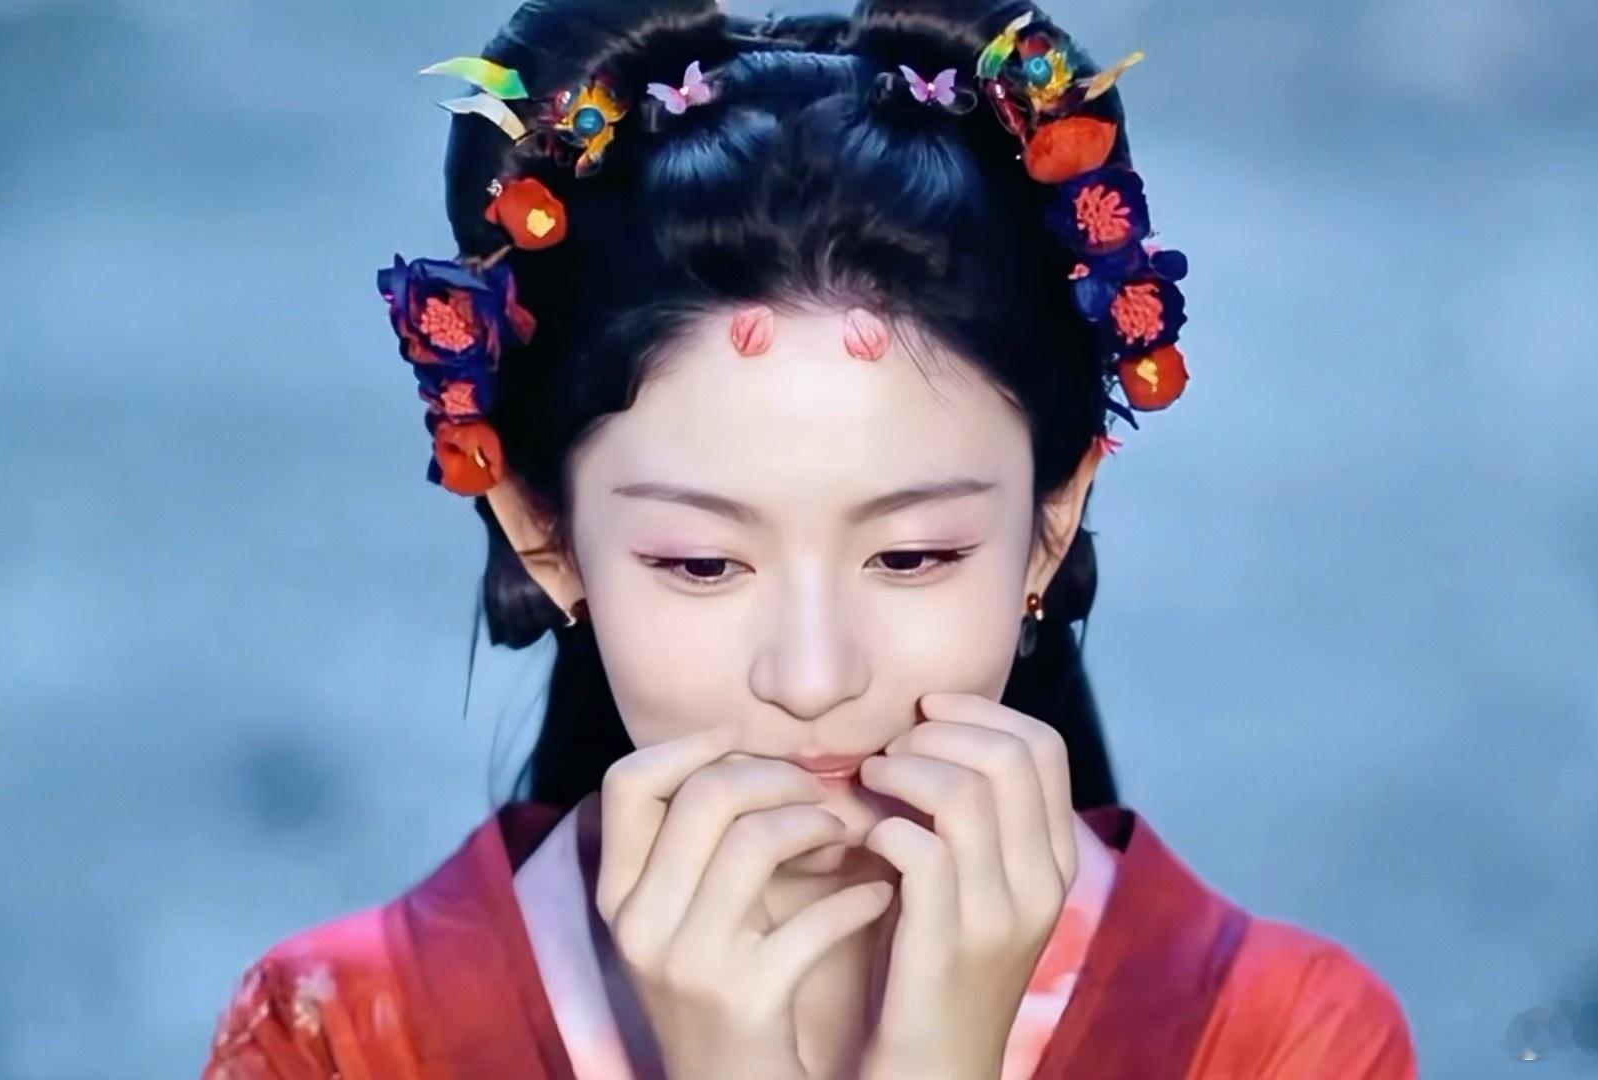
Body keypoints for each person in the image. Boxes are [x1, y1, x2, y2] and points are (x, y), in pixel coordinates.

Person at [201, 1, 1419, 1077]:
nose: (813, 675)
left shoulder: (1278, 1039)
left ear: (1051, 526)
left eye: (914, 556)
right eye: (700, 563)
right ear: (543, 534)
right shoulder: (342, 1037)